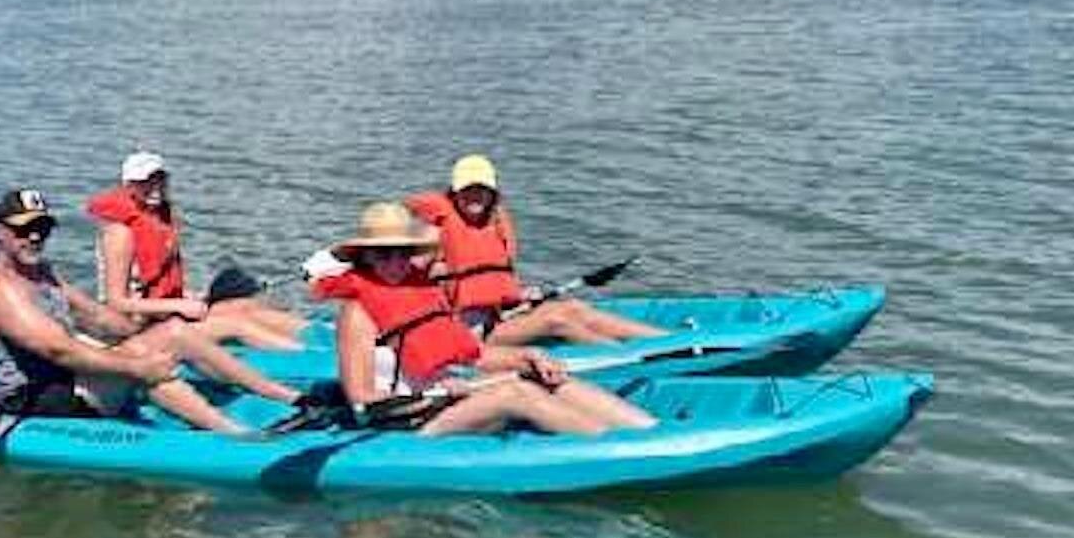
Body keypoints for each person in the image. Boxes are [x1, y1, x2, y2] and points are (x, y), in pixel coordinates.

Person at [0, 188, 309, 435]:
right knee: (146, 367)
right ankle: (237, 437)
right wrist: (137, 365)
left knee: (173, 332)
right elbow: (60, 350)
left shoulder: (43, 274)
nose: (34, 237)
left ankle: (293, 398)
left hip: (65, 381)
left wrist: (156, 324)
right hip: (29, 402)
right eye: (23, 229)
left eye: (42, 228)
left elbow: (98, 318)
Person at [313, 203, 656, 436]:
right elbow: (361, 399)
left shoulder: (420, 292)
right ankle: (620, 449)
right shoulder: (358, 313)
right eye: (383, 254)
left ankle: (646, 431)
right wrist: (436, 394)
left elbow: (470, 357)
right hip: (400, 422)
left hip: (442, 401)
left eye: (402, 253)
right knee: (517, 393)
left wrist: (527, 357)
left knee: (541, 375)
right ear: (365, 257)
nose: (395, 263)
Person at [405, 154, 665, 346]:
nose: (475, 196)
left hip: (495, 317)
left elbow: (491, 282)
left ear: (493, 193)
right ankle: (627, 356)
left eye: (482, 189)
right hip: (462, 333)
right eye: (468, 189)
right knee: (556, 321)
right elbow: (409, 278)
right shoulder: (434, 231)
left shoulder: (493, 225)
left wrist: (519, 295)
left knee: (573, 308)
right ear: (454, 192)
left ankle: (667, 342)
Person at [86, 151, 304, 350]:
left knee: (247, 307)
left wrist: (186, 296)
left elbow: (156, 282)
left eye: (160, 179)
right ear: (128, 186)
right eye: (145, 181)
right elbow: (117, 302)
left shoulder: (160, 219)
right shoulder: (120, 233)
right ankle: (304, 358)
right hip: (134, 330)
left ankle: (315, 338)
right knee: (236, 325)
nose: (155, 187)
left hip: (162, 315)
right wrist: (178, 305)